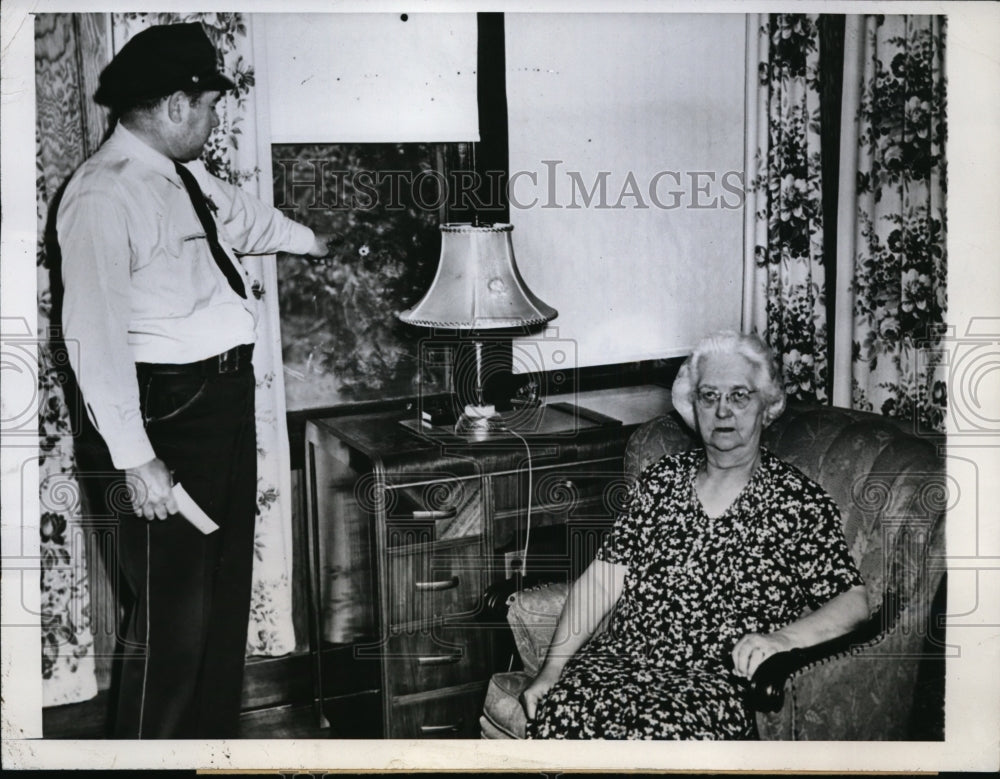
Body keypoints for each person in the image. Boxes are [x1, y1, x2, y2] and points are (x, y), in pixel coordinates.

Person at [57, 23, 332, 738]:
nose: (213, 122)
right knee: (172, 623)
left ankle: (208, 751)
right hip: (162, 417)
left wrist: (317, 242)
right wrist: (135, 455)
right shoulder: (101, 195)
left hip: (219, 404)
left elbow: (245, 221)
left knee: (219, 601)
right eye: (209, 107)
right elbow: (92, 335)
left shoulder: (183, 175)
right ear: (178, 105)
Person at [520, 331, 869, 739]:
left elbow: (853, 601)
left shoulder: (797, 502)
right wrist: (552, 670)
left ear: (767, 405)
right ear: (693, 406)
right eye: (709, 396)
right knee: (560, 714)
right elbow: (601, 581)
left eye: (740, 396)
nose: (723, 411)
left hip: (713, 685)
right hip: (620, 664)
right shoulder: (660, 482)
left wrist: (781, 640)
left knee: (655, 738)